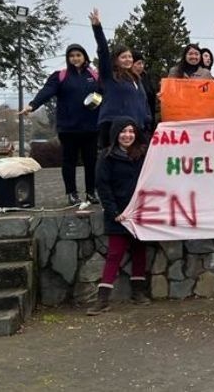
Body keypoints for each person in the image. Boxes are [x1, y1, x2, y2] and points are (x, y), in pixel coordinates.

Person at [20, 43, 100, 205]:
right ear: (68, 58)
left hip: (91, 127)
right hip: (68, 128)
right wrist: (33, 105)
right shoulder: (60, 76)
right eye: (72, 56)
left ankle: (91, 192)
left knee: (91, 161)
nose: (75, 58)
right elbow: (46, 92)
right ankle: (71, 193)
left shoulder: (94, 75)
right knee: (69, 161)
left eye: (78, 55)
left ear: (84, 56)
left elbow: (104, 93)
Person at [87, 117, 149, 315]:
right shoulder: (106, 157)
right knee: (115, 253)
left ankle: (138, 291)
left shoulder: (144, 155)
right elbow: (103, 187)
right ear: (115, 134)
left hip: (139, 212)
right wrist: (114, 212)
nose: (127, 135)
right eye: (123, 131)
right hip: (118, 214)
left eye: (131, 131)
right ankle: (103, 298)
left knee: (139, 250)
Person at [90, 8, 151, 149]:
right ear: (116, 60)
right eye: (123, 57)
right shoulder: (109, 75)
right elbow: (103, 51)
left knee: (135, 164)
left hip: (135, 127)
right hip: (113, 125)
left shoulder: (136, 78)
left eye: (129, 57)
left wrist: (146, 119)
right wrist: (97, 28)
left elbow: (142, 102)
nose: (127, 59)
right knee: (113, 163)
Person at [130, 51, 157, 133]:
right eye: (138, 63)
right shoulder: (124, 79)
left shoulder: (146, 77)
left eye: (142, 63)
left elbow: (151, 95)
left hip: (147, 120)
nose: (141, 66)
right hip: (131, 121)